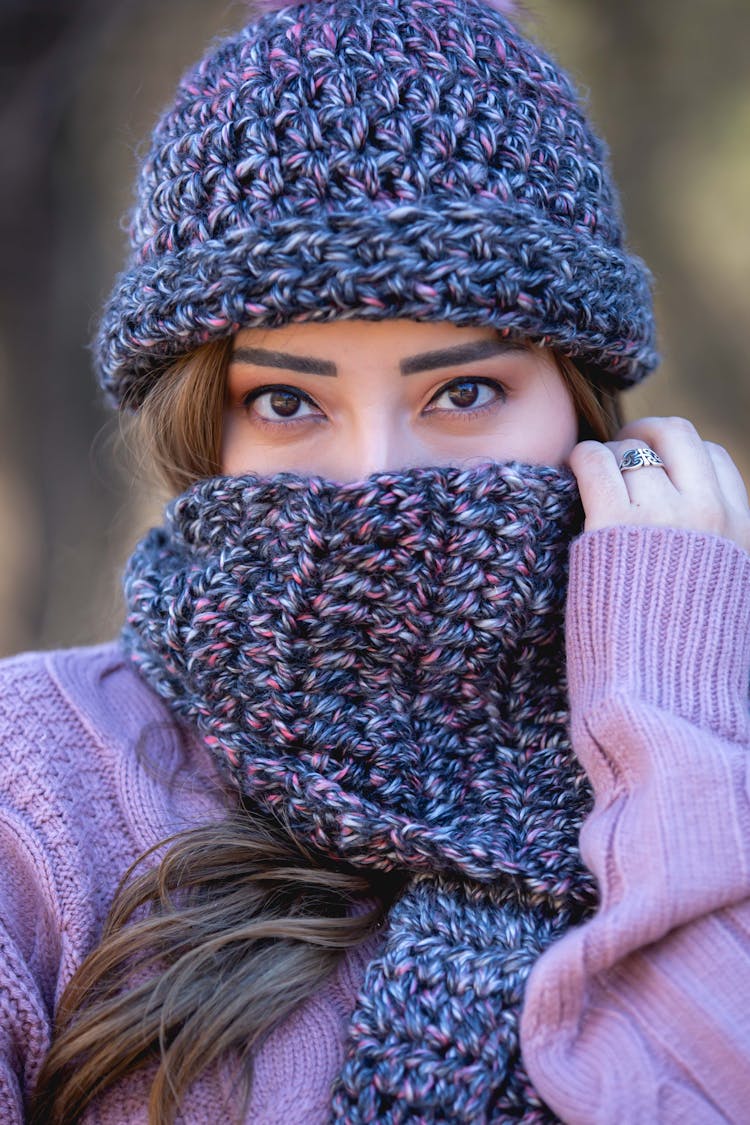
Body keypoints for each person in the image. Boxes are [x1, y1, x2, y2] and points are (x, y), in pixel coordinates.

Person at [1, 0, 749, 1121]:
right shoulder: (41, 777)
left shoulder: (714, 756)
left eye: (463, 391)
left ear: (586, 413)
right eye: (289, 400)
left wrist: (673, 722)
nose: (376, 476)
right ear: (208, 428)